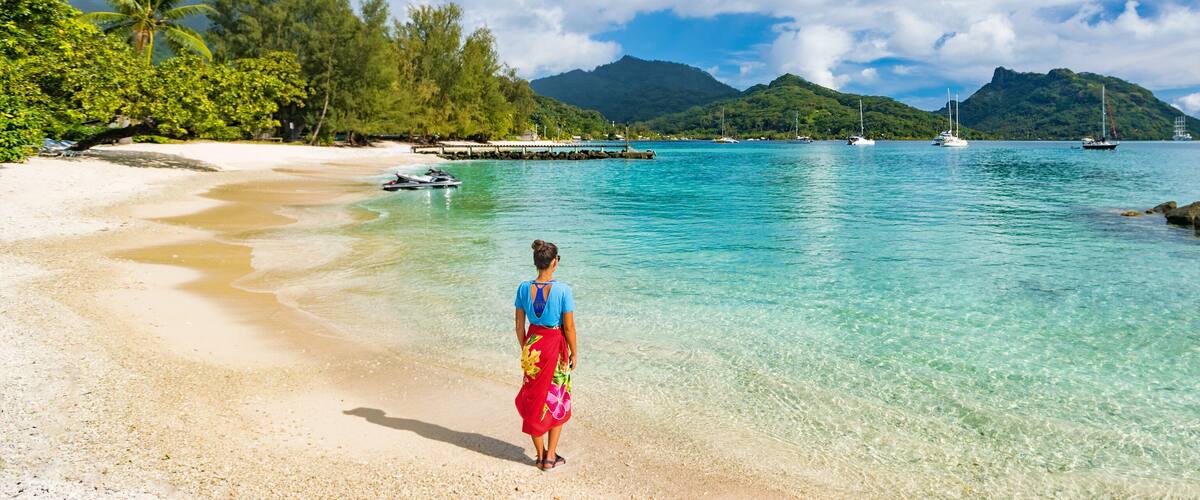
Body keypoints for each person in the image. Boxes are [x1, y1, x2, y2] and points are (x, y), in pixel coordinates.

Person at [513, 239, 577, 472]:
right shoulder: (563, 290)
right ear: (554, 262)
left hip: (533, 346)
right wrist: (574, 352)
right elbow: (569, 327)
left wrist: (527, 347)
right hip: (554, 346)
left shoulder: (523, 288)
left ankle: (539, 456)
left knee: (534, 399)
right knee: (556, 397)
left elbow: (519, 326)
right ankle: (550, 457)